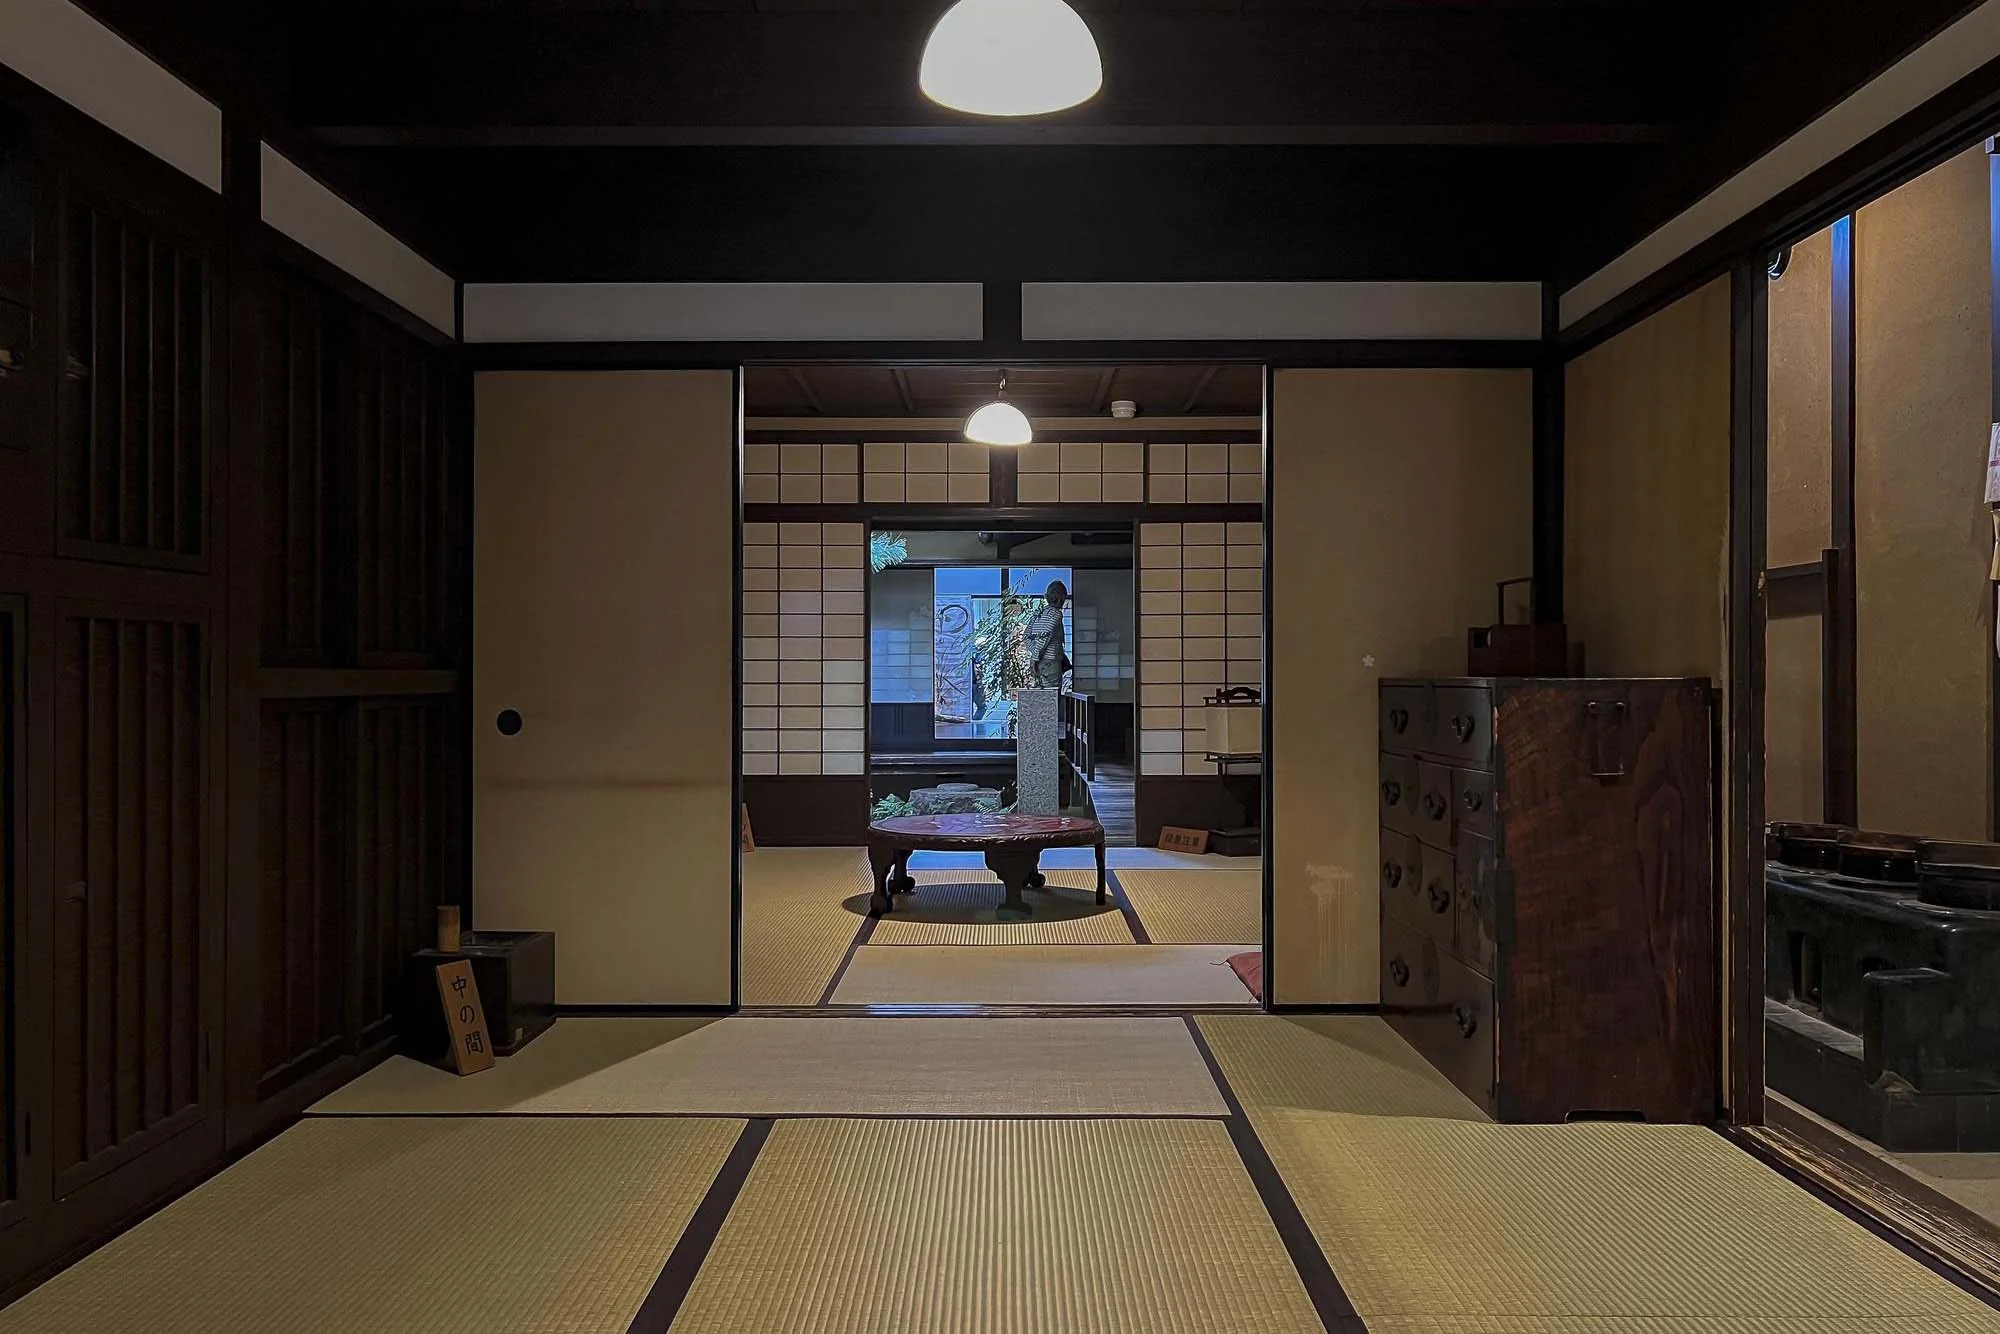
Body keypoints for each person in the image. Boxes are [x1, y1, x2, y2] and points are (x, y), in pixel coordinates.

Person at [1023, 580, 1070, 688]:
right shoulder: (1056, 614)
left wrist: (1035, 654)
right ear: (1061, 597)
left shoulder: (1039, 614)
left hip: (1039, 663)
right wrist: (1036, 657)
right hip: (1051, 662)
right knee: (1052, 697)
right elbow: (1046, 635)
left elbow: (1026, 636)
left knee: (1042, 697)